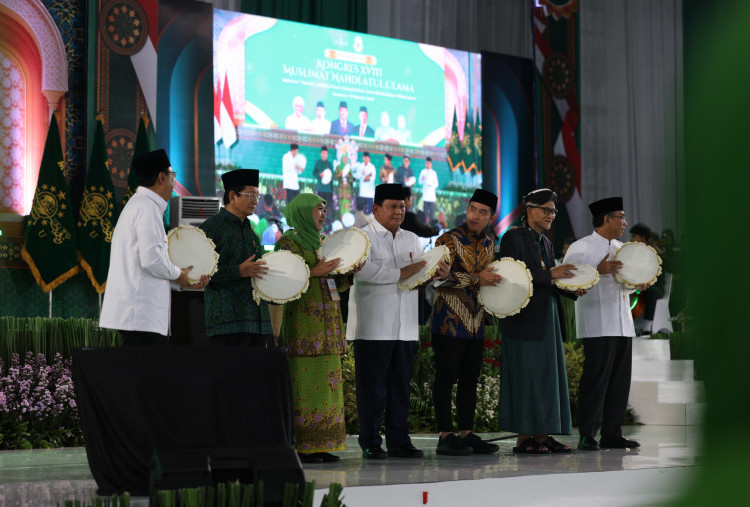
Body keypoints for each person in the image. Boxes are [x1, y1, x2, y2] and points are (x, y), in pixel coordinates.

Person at [352, 183, 449, 460]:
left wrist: (436, 274)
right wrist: (405, 271)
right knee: (372, 389)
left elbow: (419, 277)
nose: (398, 212)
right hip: (374, 326)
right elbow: (365, 273)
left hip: (406, 326)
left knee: (400, 387)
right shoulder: (362, 238)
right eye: (392, 206)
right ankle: (370, 441)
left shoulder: (412, 239)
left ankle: (399, 441)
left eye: (402, 207)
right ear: (375, 208)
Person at [498, 189, 583, 454]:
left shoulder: (545, 242)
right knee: (526, 376)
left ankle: (543, 435)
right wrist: (551, 274)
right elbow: (512, 274)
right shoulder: (513, 237)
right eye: (545, 210)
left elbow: (549, 278)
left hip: (547, 316)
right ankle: (524, 438)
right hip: (524, 319)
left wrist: (572, 288)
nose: (551, 215)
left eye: (553, 211)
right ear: (529, 210)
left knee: (546, 376)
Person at [274, 194, 357, 463]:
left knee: (329, 388)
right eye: (318, 210)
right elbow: (282, 280)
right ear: (301, 212)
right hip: (305, 329)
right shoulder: (289, 243)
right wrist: (314, 272)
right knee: (307, 388)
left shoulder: (321, 243)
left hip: (330, 327)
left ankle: (323, 444)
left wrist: (349, 272)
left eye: (324, 209)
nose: (323, 214)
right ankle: (304, 447)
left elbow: (335, 283)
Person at [563, 197, 648, 450]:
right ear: (606, 219)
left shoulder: (623, 247)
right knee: (596, 381)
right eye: (621, 217)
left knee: (620, 382)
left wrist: (637, 282)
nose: (625, 222)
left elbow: (626, 285)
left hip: (622, 323)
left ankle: (612, 433)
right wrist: (596, 269)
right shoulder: (581, 247)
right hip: (598, 324)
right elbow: (568, 281)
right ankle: (587, 434)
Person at [100, 149, 209, 345]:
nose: (173, 182)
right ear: (161, 177)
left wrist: (182, 280)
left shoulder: (142, 205)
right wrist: (179, 275)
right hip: (140, 315)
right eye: (172, 176)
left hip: (139, 315)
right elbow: (152, 259)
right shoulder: (147, 207)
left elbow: (147, 265)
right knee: (145, 373)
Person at [430, 189, 501, 456]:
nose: (476, 215)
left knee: (470, 379)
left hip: (476, 320)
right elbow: (439, 277)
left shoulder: (489, 244)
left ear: (490, 217)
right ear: (467, 209)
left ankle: (466, 434)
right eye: (473, 209)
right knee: (446, 376)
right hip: (448, 318)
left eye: (483, 212)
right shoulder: (448, 239)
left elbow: (488, 279)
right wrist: (475, 279)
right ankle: (445, 435)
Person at [200, 169, 272, 347]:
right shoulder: (211, 228)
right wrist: (238, 271)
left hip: (257, 322)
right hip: (226, 323)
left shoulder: (251, 233)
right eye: (250, 195)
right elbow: (201, 273)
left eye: (257, 196)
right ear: (232, 196)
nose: (256, 201)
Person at [629, 223, 666, 335]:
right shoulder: (634, 252)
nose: (632, 239)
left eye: (635, 236)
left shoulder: (654, 251)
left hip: (656, 288)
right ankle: (629, 326)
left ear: (643, 238)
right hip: (641, 285)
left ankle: (647, 328)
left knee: (649, 291)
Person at [418, 157, 439, 224]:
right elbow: (419, 182)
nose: (428, 165)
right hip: (425, 196)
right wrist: (422, 178)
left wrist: (431, 185)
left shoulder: (434, 173)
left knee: (432, 215)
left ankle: (432, 229)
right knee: (425, 214)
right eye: (427, 163)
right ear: (425, 164)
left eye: (429, 163)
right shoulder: (423, 171)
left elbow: (436, 184)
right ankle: (424, 228)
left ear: (431, 164)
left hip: (432, 197)